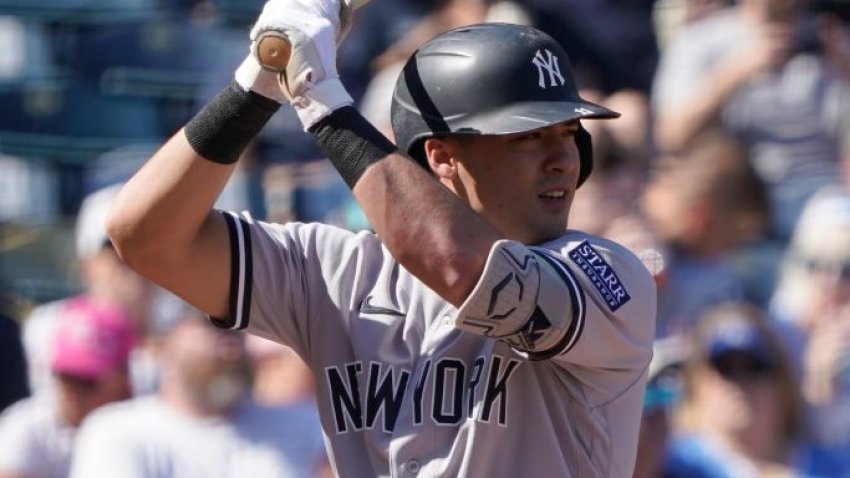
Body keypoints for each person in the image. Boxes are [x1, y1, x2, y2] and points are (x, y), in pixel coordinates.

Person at [105, 1, 657, 476]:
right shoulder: (338, 269)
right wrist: (259, 82)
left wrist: (320, 98)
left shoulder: (605, 274)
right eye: (530, 136)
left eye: (567, 134)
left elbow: (457, 265)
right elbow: (145, 235)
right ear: (441, 156)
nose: (562, 158)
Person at [69, 308, 317, 478]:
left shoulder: (305, 423)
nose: (231, 339)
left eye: (238, 325)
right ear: (161, 345)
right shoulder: (117, 431)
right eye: (213, 323)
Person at [665, 302, 813, 478]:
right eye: (725, 368)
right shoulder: (666, 462)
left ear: (782, 382)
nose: (741, 383)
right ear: (697, 382)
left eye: (754, 367)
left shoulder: (830, 465)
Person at [0, 296, 135, 478]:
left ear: (124, 378)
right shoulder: (26, 431)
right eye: (65, 376)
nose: (71, 391)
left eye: (86, 381)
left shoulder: (143, 434)